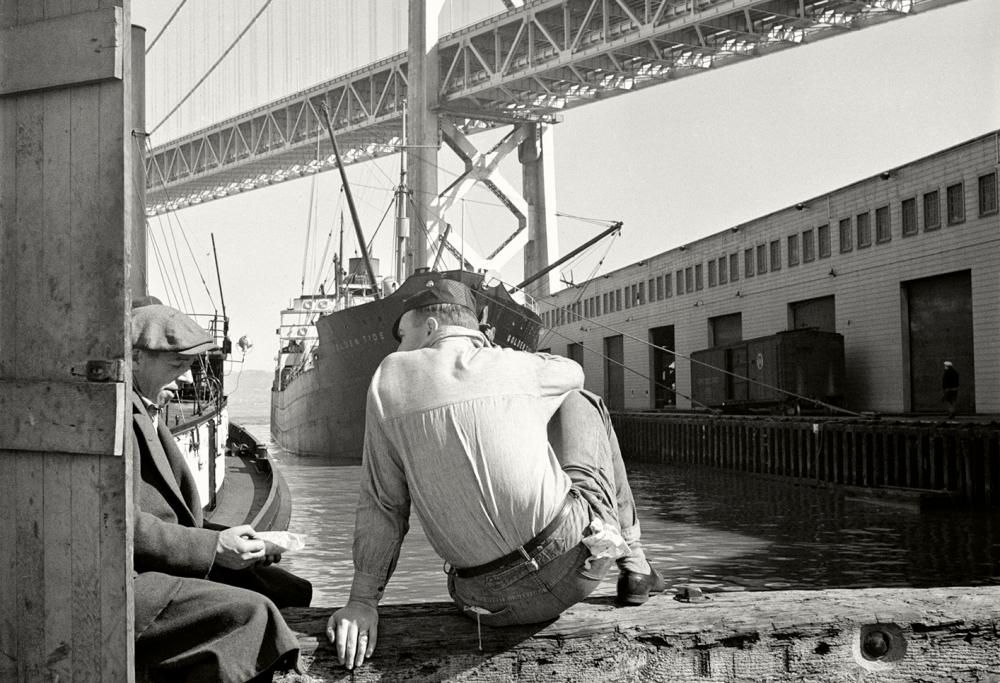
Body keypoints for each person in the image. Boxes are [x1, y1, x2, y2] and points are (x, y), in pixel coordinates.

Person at [327, 279, 665, 670]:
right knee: (581, 403)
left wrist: (362, 602)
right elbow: (574, 373)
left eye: (402, 336)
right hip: (577, 568)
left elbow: (383, 504)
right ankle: (636, 565)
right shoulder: (515, 365)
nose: (398, 348)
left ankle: (632, 562)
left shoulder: (388, 378)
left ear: (431, 329)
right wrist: (496, 360)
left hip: (481, 602)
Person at [130, 300, 312, 682]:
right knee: (251, 615)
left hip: (160, 564)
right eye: (176, 366)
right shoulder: (118, 417)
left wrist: (239, 541)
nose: (186, 380)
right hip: (132, 582)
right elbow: (119, 525)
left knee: (292, 590)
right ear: (134, 359)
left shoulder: (145, 410)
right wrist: (214, 549)